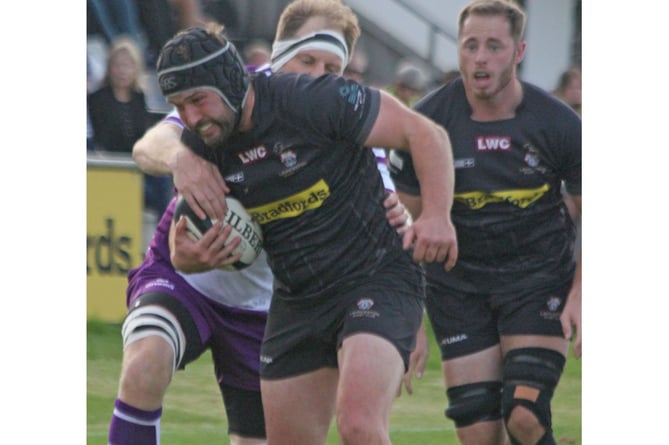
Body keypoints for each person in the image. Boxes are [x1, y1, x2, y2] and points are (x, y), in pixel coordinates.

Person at [109, 2, 419, 444]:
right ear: (279, 53)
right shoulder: (231, 91)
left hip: (268, 309)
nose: (318, 75)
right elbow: (152, 143)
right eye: (307, 59)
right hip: (186, 277)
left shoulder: (348, 126)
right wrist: (181, 158)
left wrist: (403, 322)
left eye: (332, 68)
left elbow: (391, 223)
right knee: (145, 364)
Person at [388, 1, 581, 445]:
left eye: (494, 46)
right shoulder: (426, 123)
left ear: (519, 51)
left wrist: (580, 291)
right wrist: (407, 314)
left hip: (537, 281)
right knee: (478, 433)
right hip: (457, 288)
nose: (480, 58)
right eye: (471, 45)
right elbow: (403, 225)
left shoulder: (558, 124)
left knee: (525, 416)